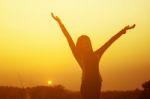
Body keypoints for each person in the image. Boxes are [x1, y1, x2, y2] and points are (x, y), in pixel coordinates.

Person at [51, 13, 135, 99]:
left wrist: (123, 30)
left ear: (89, 43)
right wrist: (59, 22)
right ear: (80, 45)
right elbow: (68, 38)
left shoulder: (97, 54)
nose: (85, 45)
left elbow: (110, 41)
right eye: (83, 44)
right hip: (86, 85)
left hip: (97, 84)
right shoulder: (78, 55)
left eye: (87, 43)